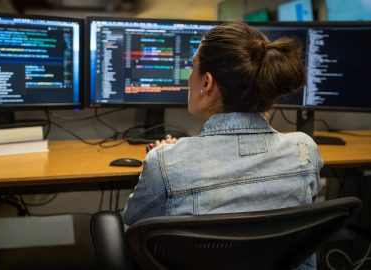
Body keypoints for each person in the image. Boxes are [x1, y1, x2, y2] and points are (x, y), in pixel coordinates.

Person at [123, 23, 323, 270]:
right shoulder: (304, 151)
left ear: (206, 82)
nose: (189, 77)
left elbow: (132, 223)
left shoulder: (164, 162)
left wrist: (170, 156)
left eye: (192, 66)